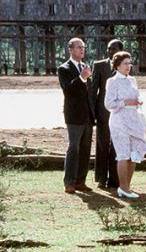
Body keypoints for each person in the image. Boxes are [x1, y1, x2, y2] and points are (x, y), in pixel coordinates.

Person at [104, 51, 146, 199]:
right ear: (117, 65)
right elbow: (108, 104)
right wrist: (125, 102)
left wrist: (138, 102)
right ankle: (122, 187)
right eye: (125, 63)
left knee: (134, 153)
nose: (128, 66)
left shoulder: (132, 80)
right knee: (123, 153)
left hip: (133, 118)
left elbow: (135, 97)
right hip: (119, 120)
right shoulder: (112, 81)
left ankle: (126, 187)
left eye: (130, 63)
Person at [58, 38, 95, 194]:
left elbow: (90, 93)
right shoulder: (64, 69)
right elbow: (68, 90)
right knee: (74, 148)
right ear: (70, 50)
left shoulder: (85, 67)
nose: (82, 50)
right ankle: (69, 182)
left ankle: (81, 181)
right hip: (74, 116)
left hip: (87, 115)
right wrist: (82, 78)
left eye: (83, 47)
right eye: (79, 47)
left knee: (86, 149)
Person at [91, 39, 123, 189]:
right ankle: (101, 179)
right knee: (102, 146)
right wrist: (93, 113)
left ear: (120, 50)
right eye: (109, 48)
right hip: (103, 113)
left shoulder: (126, 66)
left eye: (114, 49)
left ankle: (115, 180)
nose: (110, 51)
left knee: (117, 146)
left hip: (121, 114)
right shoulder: (99, 65)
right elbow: (93, 92)